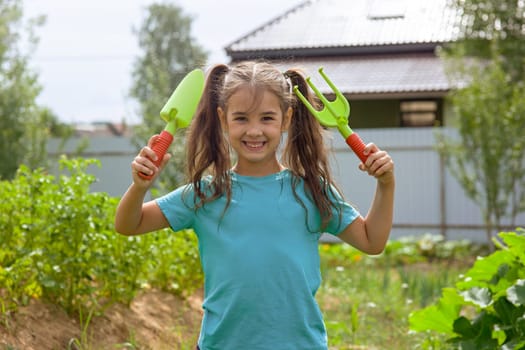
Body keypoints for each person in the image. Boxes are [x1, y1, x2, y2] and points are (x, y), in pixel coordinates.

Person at [115, 61, 395, 350]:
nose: (254, 130)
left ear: (286, 119)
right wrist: (140, 187)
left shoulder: (310, 191)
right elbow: (128, 224)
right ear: (223, 120)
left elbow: (371, 241)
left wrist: (386, 184)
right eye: (241, 119)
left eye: (266, 118)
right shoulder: (205, 194)